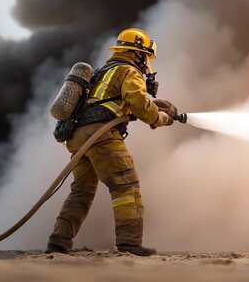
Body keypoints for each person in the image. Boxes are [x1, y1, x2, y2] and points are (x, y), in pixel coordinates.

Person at [45, 28, 177, 256]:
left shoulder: (103, 72)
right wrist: (160, 118)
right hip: (101, 135)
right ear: (136, 53)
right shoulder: (129, 70)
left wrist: (154, 105)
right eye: (145, 55)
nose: (146, 62)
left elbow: (115, 103)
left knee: (81, 192)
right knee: (126, 186)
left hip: (78, 137)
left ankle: (58, 242)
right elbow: (137, 102)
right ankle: (129, 243)